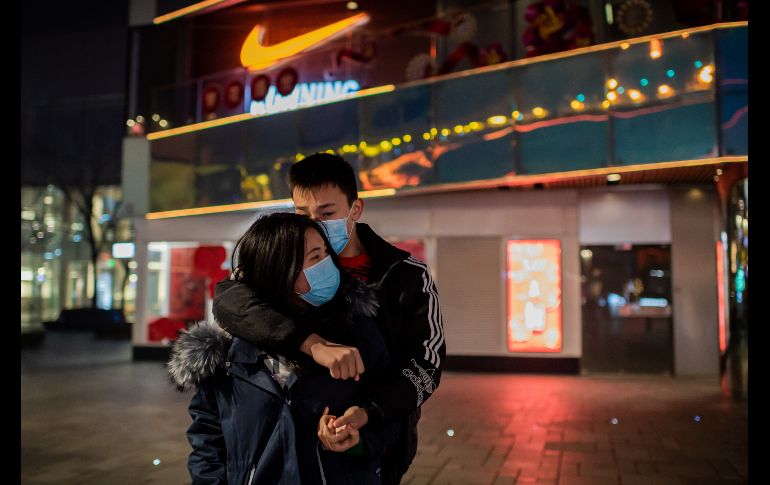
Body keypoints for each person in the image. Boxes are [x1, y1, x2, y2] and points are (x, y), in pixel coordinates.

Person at [213, 153, 446, 484]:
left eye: (326, 213)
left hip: (376, 442)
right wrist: (310, 343)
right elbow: (230, 300)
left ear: (355, 209)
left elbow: (425, 365)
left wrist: (369, 412)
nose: (314, 224)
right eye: (303, 213)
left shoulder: (405, 275)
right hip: (286, 445)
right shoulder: (282, 264)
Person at [168, 213, 399, 484]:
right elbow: (207, 435)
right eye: (315, 257)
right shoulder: (229, 353)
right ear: (277, 271)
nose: (327, 264)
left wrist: (355, 440)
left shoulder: (358, 332)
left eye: (326, 253)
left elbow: (389, 413)